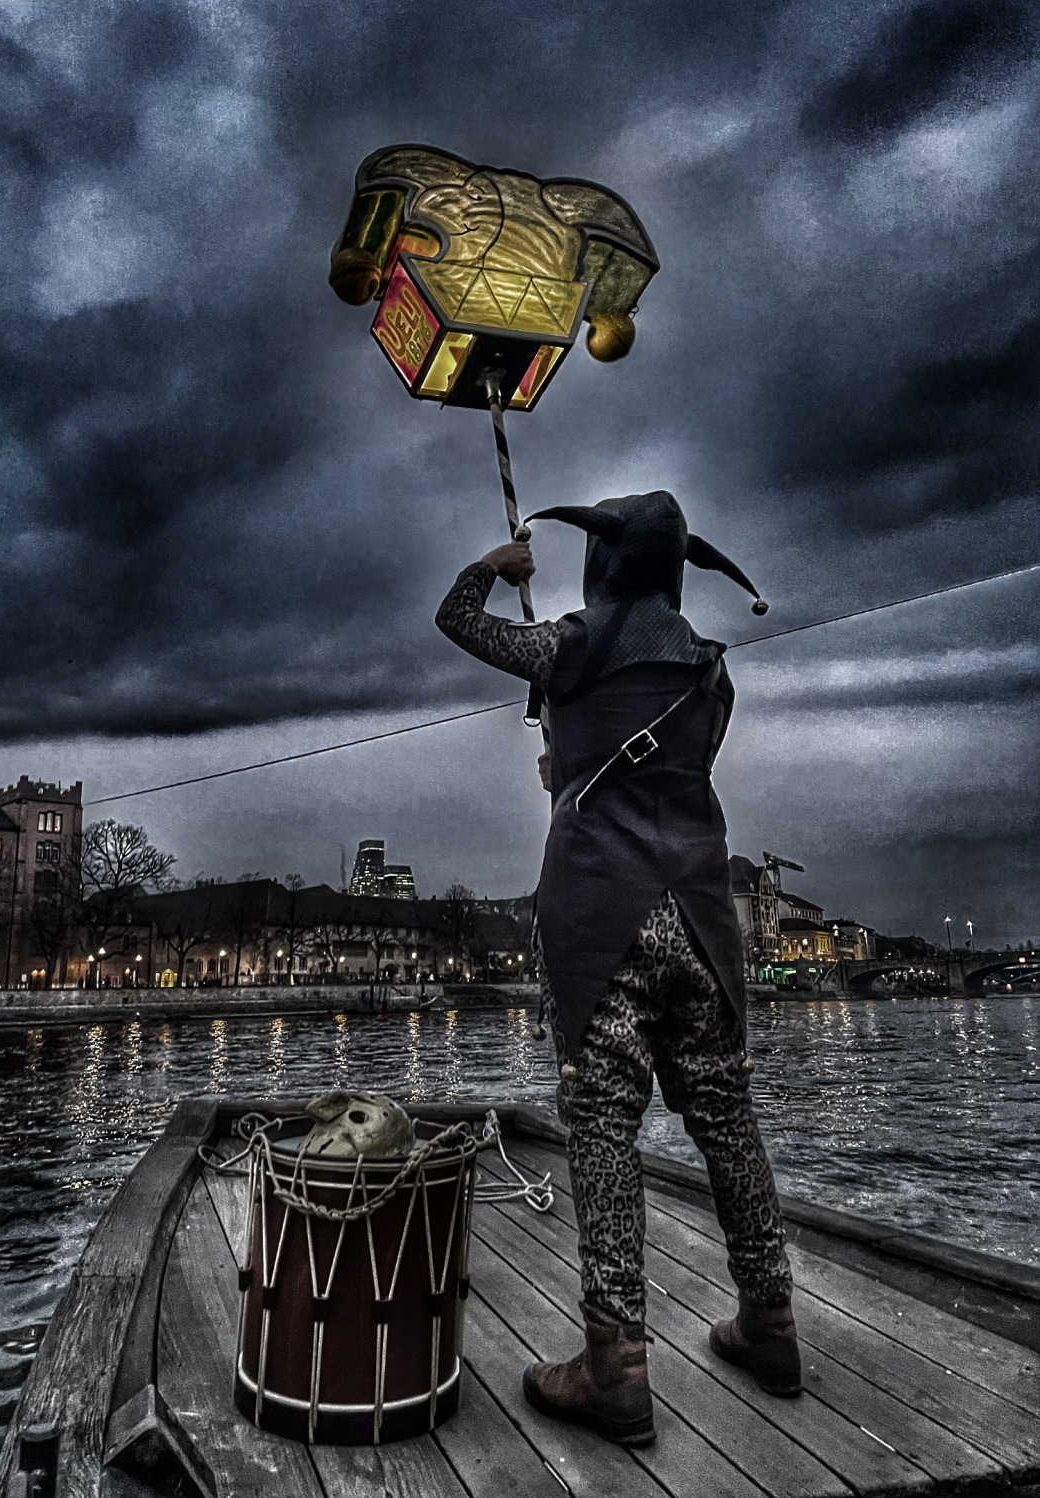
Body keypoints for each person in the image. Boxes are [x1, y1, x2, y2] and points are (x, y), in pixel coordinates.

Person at [436, 490, 798, 1448]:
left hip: (603, 917)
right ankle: (771, 1321)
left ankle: (616, 1366)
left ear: (603, 561)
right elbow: (674, 769)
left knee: (601, 1125)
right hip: (704, 918)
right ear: (677, 570)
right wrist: (576, 764)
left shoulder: (567, 644)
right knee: (727, 1118)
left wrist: (494, 567)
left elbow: (456, 620)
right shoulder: (712, 671)